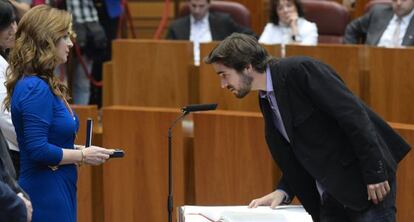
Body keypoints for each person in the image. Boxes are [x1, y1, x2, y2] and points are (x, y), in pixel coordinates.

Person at [204, 33, 411, 222]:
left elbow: (354, 116)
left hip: (364, 184)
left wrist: (375, 172)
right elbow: (301, 147)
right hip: (331, 193)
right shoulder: (266, 97)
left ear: (247, 66)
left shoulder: (300, 70)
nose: (223, 84)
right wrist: (284, 190)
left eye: (224, 74)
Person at [4, 5, 114, 222]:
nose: (71, 43)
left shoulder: (42, 83)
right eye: (64, 37)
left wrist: (84, 150)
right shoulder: (35, 87)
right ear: (47, 41)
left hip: (58, 184)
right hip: (45, 191)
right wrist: (83, 156)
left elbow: (48, 140)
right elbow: (38, 149)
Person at [166, 0, 255, 65]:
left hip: (217, 69)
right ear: (188, 3)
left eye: (201, 6)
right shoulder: (176, 26)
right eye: (194, 6)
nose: (197, 10)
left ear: (208, 4)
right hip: (185, 70)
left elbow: (249, 36)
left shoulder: (223, 21)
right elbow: (166, 52)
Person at [0, 0, 20, 176]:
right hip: (10, 151)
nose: (14, 29)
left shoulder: (4, 60)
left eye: (14, 22)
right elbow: (4, 116)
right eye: (7, 25)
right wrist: (31, 143)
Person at [344, 0, 414, 47]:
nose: (398, 3)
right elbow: (352, 29)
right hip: (371, 62)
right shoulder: (378, 12)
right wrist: (353, 53)